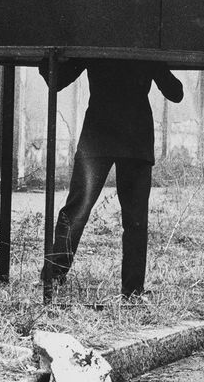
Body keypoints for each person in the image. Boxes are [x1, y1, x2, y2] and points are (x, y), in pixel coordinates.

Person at [39, 58, 183, 298]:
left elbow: (57, 81)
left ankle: (53, 277)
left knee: (76, 210)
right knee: (135, 220)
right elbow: (176, 93)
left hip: (99, 136)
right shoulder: (144, 46)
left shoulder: (98, 41)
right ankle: (133, 291)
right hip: (133, 140)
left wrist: (46, 59)